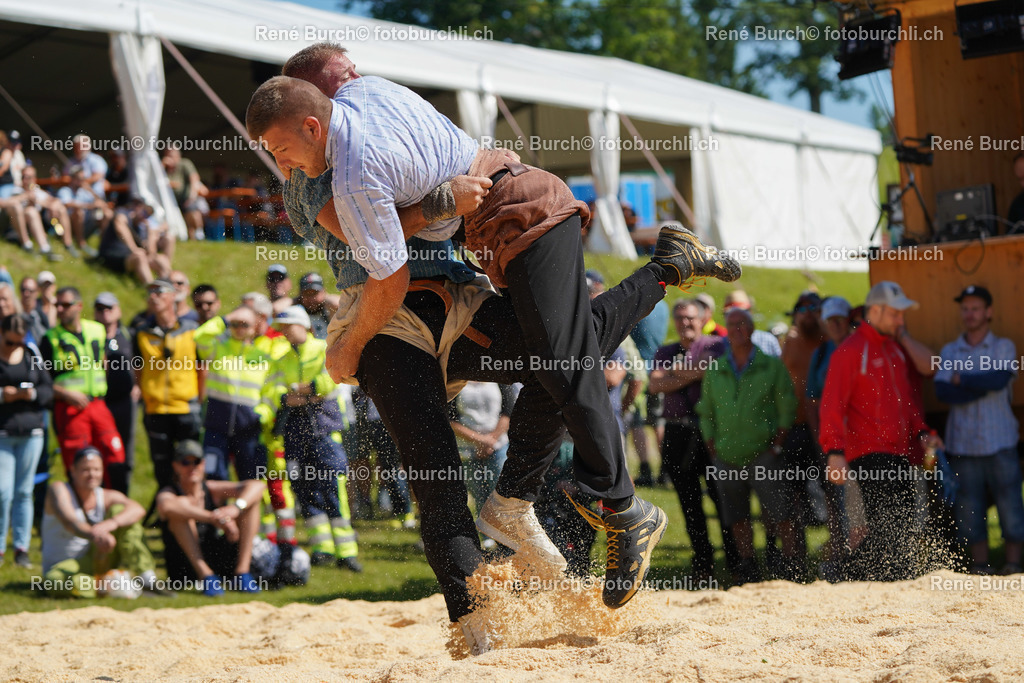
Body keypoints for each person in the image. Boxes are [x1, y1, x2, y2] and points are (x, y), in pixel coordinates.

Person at [246, 67, 739, 615]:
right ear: (317, 101)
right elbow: (374, 244)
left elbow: (408, 205)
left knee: (564, 362)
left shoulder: (364, 105)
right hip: (393, 312)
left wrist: (445, 195)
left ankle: (568, 502)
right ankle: (478, 617)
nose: (354, 75)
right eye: (340, 74)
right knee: (447, 463)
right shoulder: (320, 175)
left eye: (350, 71)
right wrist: (438, 205)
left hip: (471, 276)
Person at [820, 281, 943, 581]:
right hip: (869, 455)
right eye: (895, 314)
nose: (901, 321)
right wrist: (834, 453)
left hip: (900, 453)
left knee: (899, 529)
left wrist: (921, 433)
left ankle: (858, 581)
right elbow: (831, 405)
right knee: (892, 529)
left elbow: (907, 404)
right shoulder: (850, 352)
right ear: (875, 311)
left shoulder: (895, 351)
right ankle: (852, 580)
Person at [698, 307, 799, 583]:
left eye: (741, 324)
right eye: (730, 325)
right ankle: (748, 566)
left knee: (780, 513)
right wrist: (712, 446)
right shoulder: (716, 369)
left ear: (752, 329)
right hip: (727, 456)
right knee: (736, 516)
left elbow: (786, 406)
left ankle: (789, 565)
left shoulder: (771, 365)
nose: (736, 329)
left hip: (764, 453)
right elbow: (706, 411)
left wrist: (776, 445)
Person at [262, 305, 361, 571]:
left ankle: (347, 552)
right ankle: (322, 548)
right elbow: (272, 390)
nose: (284, 333)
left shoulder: (322, 349)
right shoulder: (282, 358)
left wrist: (303, 391)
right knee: (304, 488)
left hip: (324, 430)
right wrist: (291, 396)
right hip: (295, 432)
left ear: (303, 325)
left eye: (287, 327)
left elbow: (332, 379)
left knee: (332, 487)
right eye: (281, 329)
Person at [934, 285, 1024, 576]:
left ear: (989, 312)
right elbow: (943, 391)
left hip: (1000, 441)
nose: (969, 314)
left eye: (975, 308)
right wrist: (978, 383)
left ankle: (1013, 566)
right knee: (968, 509)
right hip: (963, 444)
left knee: (1011, 505)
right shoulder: (950, 350)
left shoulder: (1003, 346)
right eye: (965, 309)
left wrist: (962, 379)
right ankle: (980, 567)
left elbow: (999, 380)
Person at [649, 300, 727, 581]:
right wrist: (695, 373)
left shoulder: (717, 346)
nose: (686, 323)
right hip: (677, 432)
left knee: (722, 497)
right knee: (689, 501)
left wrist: (677, 373)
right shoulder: (666, 351)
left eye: (691, 318)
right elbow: (655, 384)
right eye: (680, 318)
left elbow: (717, 375)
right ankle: (702, 563)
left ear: (703, 317)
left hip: (712, 432)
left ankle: (734, 559)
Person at [39, 287, 128, 492]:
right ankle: (80, 513)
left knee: (113, 454)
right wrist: (64, 393)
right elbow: (41, 380)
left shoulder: (96, 329)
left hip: (98, 404)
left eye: (66, 304)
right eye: (57, 305)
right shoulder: (50, 338)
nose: (60, 309)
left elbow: (104, 362)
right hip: (70, 408)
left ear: (79, 306)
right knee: (80, 462)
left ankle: (114, 507)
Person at [41, 446, 160, 597]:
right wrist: (96, 535)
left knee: (122, 512)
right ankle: (114, 586)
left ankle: (147, 578)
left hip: (98, 557)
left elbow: (138, 509)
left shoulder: (104, 495)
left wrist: (112, 523)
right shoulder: (58, 490)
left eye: (97, 469)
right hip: (64, 565)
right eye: (86, 469)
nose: (92, 474)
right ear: (72, 470)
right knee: (55, 581)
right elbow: (70, 522)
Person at [156, 440, 265, 595]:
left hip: (215, 556)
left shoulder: (211, 489)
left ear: (204, 464)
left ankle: (242, 573)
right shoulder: (170, 492)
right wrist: (214, 518)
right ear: (175, 466)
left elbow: (258, 486)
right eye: (185, 462)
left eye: (197, 461)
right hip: (184, 567)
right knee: (180, 511)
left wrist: (235, 508)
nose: (192, 467)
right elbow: (166, 506)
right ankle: (206, 576)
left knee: (249, 504)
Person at [134, 279, 201, 490]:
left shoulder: (191, 330)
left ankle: (193, 509)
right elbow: (138, 368)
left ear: (173, 296)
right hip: (156, 409)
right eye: (149, 292)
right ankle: (167, 513)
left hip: (186, 407)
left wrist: (198, 398)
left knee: (190, 464)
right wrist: (146, 394)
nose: (153, 296)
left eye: (159, 292)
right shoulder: (143, 332)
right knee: (161, 465)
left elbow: (202, 368)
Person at [194, 305, 270, 483]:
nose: (239, 328)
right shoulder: (218, 348)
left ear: (254, 327)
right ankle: (216, 511)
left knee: (250, 479)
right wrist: (225, 318)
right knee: (214, 475)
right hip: (216, 426)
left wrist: (262, 415)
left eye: (244, 324)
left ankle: (244, 510)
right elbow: (200, 336)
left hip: (248, 428)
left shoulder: (263, 357)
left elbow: (271, 392)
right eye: (234, 324)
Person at [0, 314, 52, 567]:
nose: (15, 348)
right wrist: (3, 395)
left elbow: (47, 389)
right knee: (2, 491)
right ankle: (0, 547)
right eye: (10, 343)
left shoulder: (32, 353)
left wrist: (30, 393)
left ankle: (21, 548)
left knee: (23, 492)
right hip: (4, 432)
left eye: (19, 343)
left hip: (32, 432)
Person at [92, 292, 139, 490]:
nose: (105, 313)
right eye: (100, 309)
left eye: (109, 308)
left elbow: (141, 362)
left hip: (124, 402)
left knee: (124, 451)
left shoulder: (129, 336)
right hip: (99, 402)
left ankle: (122, 497)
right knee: (99, 450)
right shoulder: (92, 336)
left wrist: (138, 385)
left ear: (118, 311)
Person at [627, 299, 668, 488]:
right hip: (657, 366)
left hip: (640, 368)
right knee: (657, 421)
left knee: (637, 421)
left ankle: (646, 470)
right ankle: (666, 470)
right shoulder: (664, 307)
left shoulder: (639, 304)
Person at [56, 166, 110, 257]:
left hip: (84, 224)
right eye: (79, 179)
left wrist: (90, 189)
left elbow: (100, 202)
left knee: (106, 214)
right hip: (66, 226)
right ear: (72, 179)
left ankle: (104, 249)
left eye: (83, 178)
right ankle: (81, 243)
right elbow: (68, 204)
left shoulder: (84, 192)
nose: (82, 181)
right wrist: (89, 206)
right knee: (78, 212)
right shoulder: (65, 190)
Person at [162, 147, 209, 241]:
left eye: (171, 155)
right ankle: (188, 237)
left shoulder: (184, 163)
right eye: (167, 155)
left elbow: (194, 179)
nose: (169, 158)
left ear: (178, 156)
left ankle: (199, 235)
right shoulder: (163, 168)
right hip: (170, 202)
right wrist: (162, 164)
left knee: (191, 209)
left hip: (187, 199)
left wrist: (191, 198)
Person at [298, 272, 337, 340]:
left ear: (324, 292)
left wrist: (324, 297)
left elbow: (337, 303)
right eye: (307, 294)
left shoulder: (330, 309)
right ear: (300, 295)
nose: (311, 299)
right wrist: (297, 300)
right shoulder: (298, 311)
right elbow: (277, 308)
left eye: (314, 293)